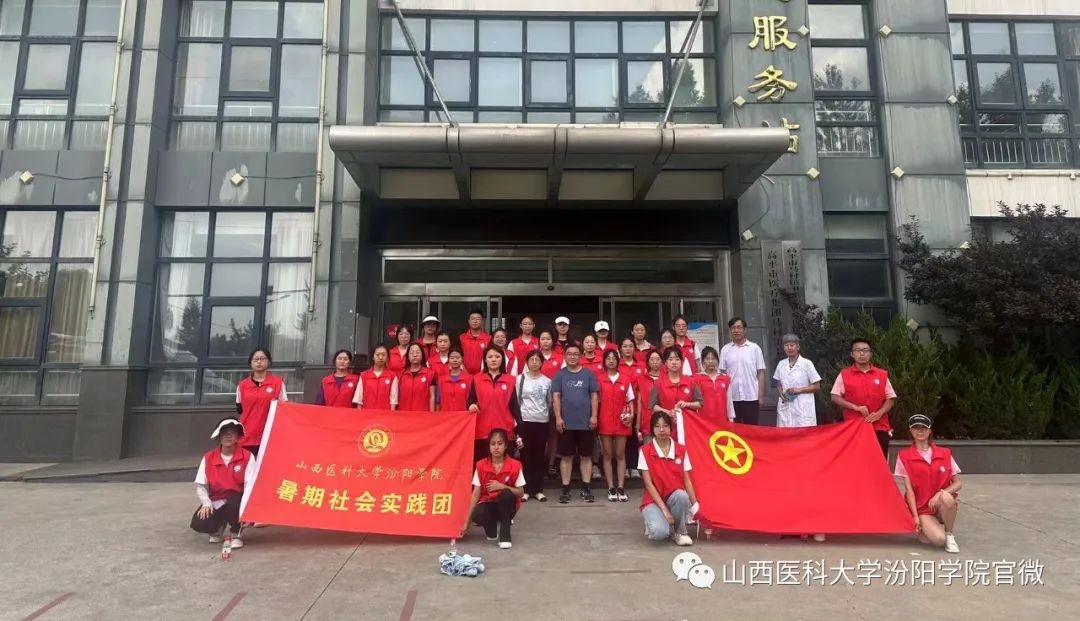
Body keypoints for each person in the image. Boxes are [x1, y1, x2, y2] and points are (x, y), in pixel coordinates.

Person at [896, 414, 962, 554]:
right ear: (911, 431)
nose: (920, 431)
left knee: (946, 497)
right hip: (923, 508)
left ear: (930, 431)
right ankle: (928, 529)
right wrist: (915, 516)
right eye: (916, 428)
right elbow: (909, 489)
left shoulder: (945, 453)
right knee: (938, 540)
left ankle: (949, 534)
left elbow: (958, 483)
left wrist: (939, 494)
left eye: (924, 428)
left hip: (941, 504)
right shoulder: (904, 456)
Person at [191, 418, 255, 548]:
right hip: (217, 499)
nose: (228, 436)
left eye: (232, 433)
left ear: (238, 436)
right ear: (218, 436)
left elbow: (249, 486)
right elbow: (201, 485)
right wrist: (206, 503)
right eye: (224, 432)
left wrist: (248, 510)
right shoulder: (208, 457)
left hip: (237, 500)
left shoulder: (247, 456)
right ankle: (218, 527)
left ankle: (236, 533)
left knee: (233, 504)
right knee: (200, 522)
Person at [830, 337, 897, 459]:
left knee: (879, 460)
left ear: (870, 354)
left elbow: (891, 398)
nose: (862, 353)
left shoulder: (881, 374)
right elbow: (835, 396)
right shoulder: (844, 374)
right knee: (857, 461)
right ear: (852, 354)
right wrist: (855, 407)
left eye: (865, 350)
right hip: (854, 426)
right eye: (858, 350)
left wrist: (879, 413)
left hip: (880, 426)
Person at [639, 411, 697, 546]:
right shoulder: (645, 451)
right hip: (653, 500)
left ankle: (680, 532)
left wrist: (695, 506)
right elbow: (648, 484)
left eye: (665, 426)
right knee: (659, 533)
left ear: (671, 428)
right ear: (652, 429)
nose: (661, 430)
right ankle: (657, 521)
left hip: (674, 497)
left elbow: (687, 481)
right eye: (657, 426)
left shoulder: (681, 450)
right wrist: (665, 511)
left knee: (682, 495)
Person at [551, 343, 600, 503]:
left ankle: (586, 487)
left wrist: (594, 416)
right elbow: (556, 397)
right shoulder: (559, 375)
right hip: (566, 423)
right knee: (566, 457)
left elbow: (594, 396)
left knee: (586, 456)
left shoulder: (589, 374)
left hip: (586, 423)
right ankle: (565, 488)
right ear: (565, 356)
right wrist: (558, 417)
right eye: (569, 354)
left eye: (575, 354)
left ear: (581, 356)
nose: (572, 356)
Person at [461, 429, 525, 550]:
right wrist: (466, 522)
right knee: (478, 514)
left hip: (507, 506)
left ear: (505, 446)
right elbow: (475, 494)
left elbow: (521, 492)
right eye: (493, 444)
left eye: (500, 444)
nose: (496, 447)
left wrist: (503, 486)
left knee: (506, 494)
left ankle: (505, 535)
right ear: (489, 446)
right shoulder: (481, 465)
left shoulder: (515, 465)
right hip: (489, 504)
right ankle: (491, 528)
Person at [466, 345, 521, 463]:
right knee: (482, 465)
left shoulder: (510, 380)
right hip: (482, 431)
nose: (494, 359)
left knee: (505, 466)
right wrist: (471, 405)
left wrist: (520, 428)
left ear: (502, 359)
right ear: (485, 360)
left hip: (505, 430)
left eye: (497, 356)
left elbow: (515, 406)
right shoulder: (476, 379)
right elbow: (470, 400)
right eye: (490, 357)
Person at [598, 350, 635, 502]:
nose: (611, 360)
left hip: (622, 422)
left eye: (614, 358)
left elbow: (630, 400)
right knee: (607, 454)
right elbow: (596, 400)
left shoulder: (625, 379)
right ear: (604, 361)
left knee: (620, 454)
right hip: (605, 420)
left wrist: (631, 415)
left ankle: (620, 486)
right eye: (608, 358)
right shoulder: (599, 379)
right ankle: (611, 487)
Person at [235, 348, 288, 455]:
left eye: (262, 359)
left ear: (269, 362)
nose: (259, 361)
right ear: (250, 363)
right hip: (247, 435)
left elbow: (284, 408)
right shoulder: (242, 385)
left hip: (270, 434)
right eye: (256, 359)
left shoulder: (277, 383)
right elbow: (240, 408)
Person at [516, 350, 553, 502]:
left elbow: (549, 402)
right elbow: (517, 400)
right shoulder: (520, 379)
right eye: (531, 359)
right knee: (525, 456)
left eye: (537, 360)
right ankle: (526, 490)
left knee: (539, 456)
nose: (534, 362)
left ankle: (538, 490)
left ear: (542, 363)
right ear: (527, 362)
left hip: (541, 422)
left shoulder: (547, 381)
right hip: (525, 422)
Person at [719, 317, 766, 426]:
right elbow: (722, 374)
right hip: (732, 398)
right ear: (730, 330)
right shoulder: (725, 349)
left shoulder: (754, 348)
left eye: (739, 327)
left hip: (751, 397)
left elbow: (761, 373)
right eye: (733, 328)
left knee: (752, 429)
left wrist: (761, 397)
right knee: (734, 429)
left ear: (745, 330)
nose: (736, 330)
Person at [649, 347, 702, 444]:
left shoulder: (690, 382)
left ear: (681, 362)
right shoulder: (659, 383)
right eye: (670, 359)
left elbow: (700, 403)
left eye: (677, 359)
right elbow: (653, 406)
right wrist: (667, 412)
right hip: (666, 427)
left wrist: (687, 404)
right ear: (665, 363)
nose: (674, 362)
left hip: (688, 427)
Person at [773, 334, 822, 429]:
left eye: (792, 345)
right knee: (785, 433)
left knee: (803, 433)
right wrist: (781, 392)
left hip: (803, 406)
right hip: (786, 405)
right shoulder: (781, 364)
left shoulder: (807, 363)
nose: (789, 348)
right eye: (786, 345)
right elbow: (778, 382)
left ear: (798, 347)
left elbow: (817, 386)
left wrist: (799, 390)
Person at [695, 346, 736, 424]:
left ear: (717, 360)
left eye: (713, 358)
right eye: (707, 359)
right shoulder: (696, 378)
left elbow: (729, 401)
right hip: (703, 421)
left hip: (722, 420)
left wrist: (731, 418)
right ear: (703, 361)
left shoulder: (725, 378)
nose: (711, 361)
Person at [353, 345, 399, 410]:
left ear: (387, 357)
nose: (380, 357)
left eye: (383, 355)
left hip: (384, 413)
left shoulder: (392, 376)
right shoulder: (364, 375)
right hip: (366, 412)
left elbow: (393, 400)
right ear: (373, 357)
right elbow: (359, 399)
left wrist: (391, 414)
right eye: (377, 355)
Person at [398, 343, 436, 412]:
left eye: (418, 352)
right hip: (404, 413)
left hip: (422, 414)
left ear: (422, 355)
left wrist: (431, 414)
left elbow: (432, 396)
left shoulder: (430, 374)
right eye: (411, 353)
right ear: (408, 356)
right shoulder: (401, 374)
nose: (415, 355)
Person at [636, 349, 664, 442]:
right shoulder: (641, 379)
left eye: (658, 359)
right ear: (647, 362)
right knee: (648, 448)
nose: (655, 362)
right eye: (652, 359)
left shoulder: (667, 378)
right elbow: (639, 402)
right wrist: (638, 423)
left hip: (665, 420)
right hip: (647, 421)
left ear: (662, 361)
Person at [436, 347, 472, 412]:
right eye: (452, 358)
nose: (455, 360)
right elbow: (438, 402)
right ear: (448, 359)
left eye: (457, 358)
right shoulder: (441, 380)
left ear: (462, 359)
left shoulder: (469, 379)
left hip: (463, 416)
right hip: (445, 415)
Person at [460, 309, 492, 375]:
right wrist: (465, 373)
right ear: (468, 321)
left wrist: (481, 374)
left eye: (478, 319)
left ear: (482, 321)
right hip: (464, 375)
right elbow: (458, 356)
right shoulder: (462, 338)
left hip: (483, 375)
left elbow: (491, 357)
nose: (475, 321)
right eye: (472, 319)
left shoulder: (489, 338)